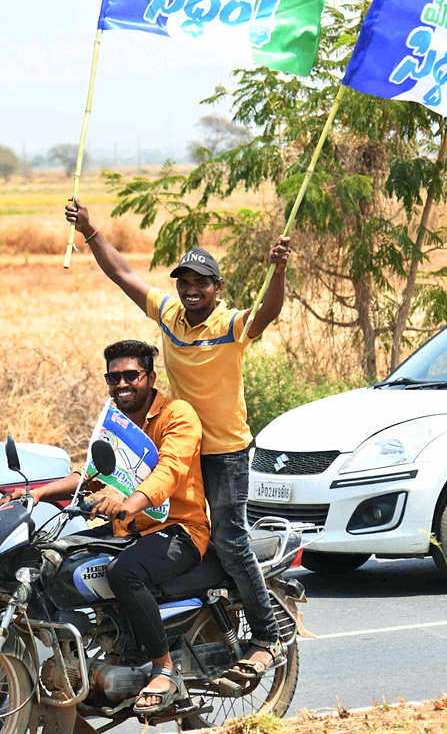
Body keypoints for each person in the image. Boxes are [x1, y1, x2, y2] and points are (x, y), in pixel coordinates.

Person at [64, 197, 291, 678]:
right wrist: (89, 231)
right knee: (147, 534)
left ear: (216, 287)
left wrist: (279, 271)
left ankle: (266, 638)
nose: (190, 290)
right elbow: (123, 275)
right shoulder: (169, 315)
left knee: (229, 541)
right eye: (184, 282)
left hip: (225, 450)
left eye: (200, 283)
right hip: (176, 441)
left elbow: (268, 313)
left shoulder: (229, 323)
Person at [2, 339, 210, 716]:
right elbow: (92, 475)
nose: (122, 383)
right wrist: (37, 493)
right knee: (57, 554)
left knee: (124, 572)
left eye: (131, 375)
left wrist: (129, 503)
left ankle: (164, 668)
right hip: (128, 529)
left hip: (180, 529)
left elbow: (170, 469)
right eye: (114, 377)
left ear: (150, 376)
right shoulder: (118, 421)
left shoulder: (178, 415)